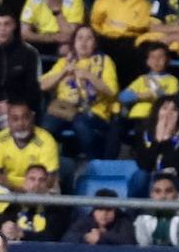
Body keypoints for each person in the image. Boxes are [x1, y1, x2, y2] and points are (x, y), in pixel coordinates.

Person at [40, 25, 119, 159]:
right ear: (74, 43)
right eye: (80, 38)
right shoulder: (64, 62)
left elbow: (112, 91)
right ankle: (48, 163)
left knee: (80, 124)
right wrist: (63, 72)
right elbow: (43, 85)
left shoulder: (105, 61)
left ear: (95, 43)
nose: (83, 42)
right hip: (65, 109)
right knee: (46, 127)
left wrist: (89, 76)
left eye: (89, 38)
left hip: (94, 111)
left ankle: (94, 161)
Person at [130, 96, 179, 198]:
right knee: (140, 176)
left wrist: (167, 139)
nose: (168, 113)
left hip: (177, 180)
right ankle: (133, 207)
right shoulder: (144, 133)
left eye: (174, 110)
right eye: (164, 108)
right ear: (157, 111)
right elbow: (145, 165)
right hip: (150, 180)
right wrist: (157, 141)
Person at [0, 100, 60, 191]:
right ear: (8, 121)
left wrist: (32, 189)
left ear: (32, 118)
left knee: (53, 189)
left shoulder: (46, 140)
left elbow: (50, 178)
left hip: (38, 186)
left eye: (25, 118)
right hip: (8, 186)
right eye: (15, 119)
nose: (20, 124)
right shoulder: (0, 139)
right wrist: (17, 190)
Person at [0, 164, 70, 242]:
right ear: (24, 183)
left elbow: (52, 237)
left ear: (47, 185)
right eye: (32, 179)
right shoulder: (14, 207)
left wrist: (22, 234)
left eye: (42, 180)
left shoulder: (55, 209)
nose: (37, 184)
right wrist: (4, 230)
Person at [133, 171, 179, 248]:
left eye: (168, 191)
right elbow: (143, 250)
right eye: (157, 191)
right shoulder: (142, 218)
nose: (163, 196)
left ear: (177, 194)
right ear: (151, 195)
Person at [63, 189, 135, 244]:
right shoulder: (87, 220)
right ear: (94, 210)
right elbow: (67, 238)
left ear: (115, 211)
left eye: (108, 210)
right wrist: (86, 237)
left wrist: (101, 237)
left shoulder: (123, 220)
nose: (104, 214)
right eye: (100, 209)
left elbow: (129, 240)